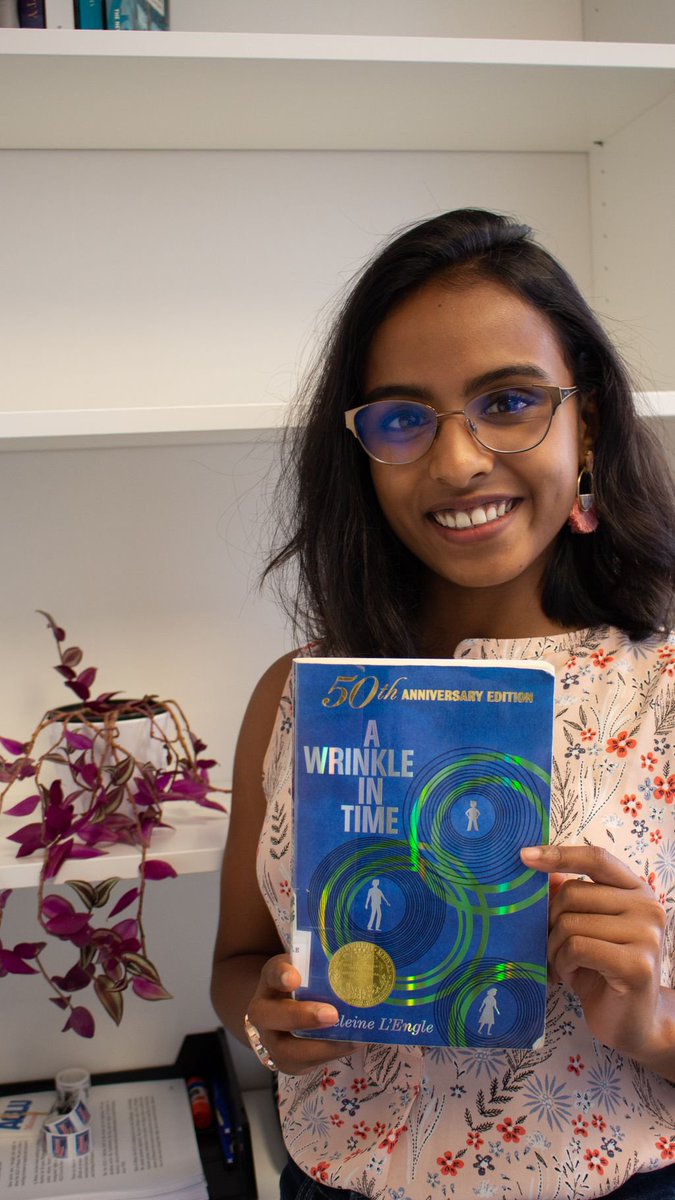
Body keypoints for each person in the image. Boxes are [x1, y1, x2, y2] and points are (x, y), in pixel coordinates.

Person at [211, 209, 675, 1200]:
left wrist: (652, 1024)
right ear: (363, 450)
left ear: (585, 417)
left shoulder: (663, 692)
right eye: (402, 416)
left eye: (508, 402)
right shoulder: (298, 697)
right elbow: (240, 960)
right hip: (338, 1182)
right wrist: (270, 1022)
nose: (458, 459)